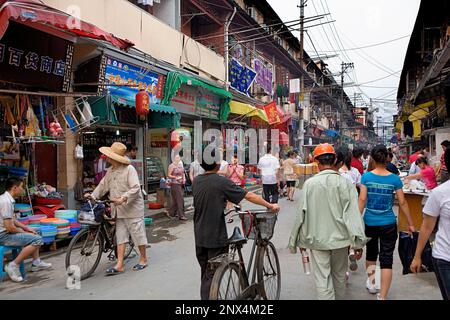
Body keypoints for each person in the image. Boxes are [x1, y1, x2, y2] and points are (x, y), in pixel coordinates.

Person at [193, 151, 280, 300]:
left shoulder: (196, 180)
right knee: (213, 276)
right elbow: (249, 196)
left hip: (199, 236)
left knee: (206, 274)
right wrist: (270, 205)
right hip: (215, 237)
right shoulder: (220, 181)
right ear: (217, 163)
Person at [289, 143, 368, 300]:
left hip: (317, 240)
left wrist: (294, 242)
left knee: (322, 279)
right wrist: (358, 242)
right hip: (341, 240)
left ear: (316, 163)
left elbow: (300, 215)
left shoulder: (310, 184)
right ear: (334, 161)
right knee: (339, 276)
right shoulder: (345, 184)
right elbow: (353, 214)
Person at [358, 145, 415, 300]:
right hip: (389, 224)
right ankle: (382, 296)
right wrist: (410, 223)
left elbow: (362, 199)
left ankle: (372, 283)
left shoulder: (366, 177)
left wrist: (356, 220)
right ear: (387, 158)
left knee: (371, 254)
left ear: (373, 159)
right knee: (386, 259)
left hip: (370, 222)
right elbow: (402, 203)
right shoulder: (394, 179)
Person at [86, 142, 148, 275]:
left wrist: (124, 198)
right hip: (118, 210)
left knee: (137, 235)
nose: (107, 158)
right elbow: (102, 186)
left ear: (115, 158)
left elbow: (136, 188)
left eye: (109, 156)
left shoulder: (129, 170)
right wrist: (92, 196)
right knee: (120, 236)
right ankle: (119, 264)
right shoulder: (110, 171)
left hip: (132, 209)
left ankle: (143, 258)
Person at [410, 149, 450, 300]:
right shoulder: (441, 193)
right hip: (445, 257)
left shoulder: (427, 171)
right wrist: (417, 256)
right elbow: (427, 226)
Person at [0, 178, 52, 282]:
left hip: (6, 232)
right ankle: (13, 265)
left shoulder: (6, 199)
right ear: (14, 188)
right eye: (21, 187)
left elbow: (13, 220)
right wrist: (23, 232)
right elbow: (9, 227)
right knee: (37, 240)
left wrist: (27, 228)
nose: (22, 189)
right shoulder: (6, 202)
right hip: (3, 236)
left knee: (36, 231)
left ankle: (36, 261)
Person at [168, 155, 187, 221]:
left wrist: (184, 179)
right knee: (180, 199)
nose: (178, 159)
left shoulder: (180, 165)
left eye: (179, 157)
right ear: (173, 159)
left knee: (176, 200)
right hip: (175, 184)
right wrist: (175, 177)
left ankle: (172, 213)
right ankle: (181, 215)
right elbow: (169, 175)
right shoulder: (171, 165)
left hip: (180, 183)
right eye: (176, 157)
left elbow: (183, 173)